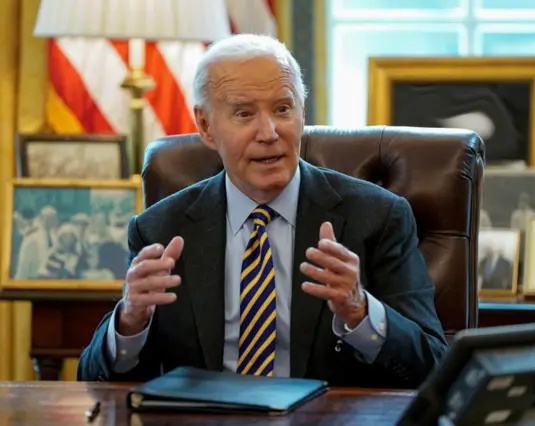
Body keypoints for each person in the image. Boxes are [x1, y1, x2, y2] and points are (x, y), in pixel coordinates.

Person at [77, 34, 447, 389]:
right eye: (244, 114)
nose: (269, 132)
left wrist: (361, 311)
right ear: (206, 126)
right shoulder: (159, 228)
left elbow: (434, 368)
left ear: (302, 114)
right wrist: (129, 321)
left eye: (283, 109)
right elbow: (92, 381)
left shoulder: (378, 218)